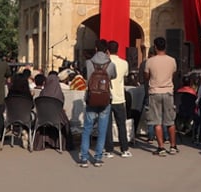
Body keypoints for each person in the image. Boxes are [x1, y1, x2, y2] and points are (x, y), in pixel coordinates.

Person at [79, 39, 117, 168]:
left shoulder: (88, 63)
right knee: (102, 130)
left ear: (95, 48)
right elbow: (113, 76)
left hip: (91, 98)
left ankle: (84, 158)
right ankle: (98, 158)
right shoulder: (110, 64)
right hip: (105, 99)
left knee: (87, 129)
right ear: (107, 50)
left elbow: (87, 78)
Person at [144, 36, 178, 157]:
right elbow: (173, 74)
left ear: (155, 47)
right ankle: (173, 146)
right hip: (168, 91)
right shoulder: (172, 60)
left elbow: (146, 76)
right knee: (170, 121)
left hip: (155, 91)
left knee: (157, 121)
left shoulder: (150, 61)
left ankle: (161, 147)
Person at [104, 40, 132, 158]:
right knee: (121, 124)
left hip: (107, 97)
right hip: (120, 98)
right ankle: (124, 149)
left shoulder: (105, 63)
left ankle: (109, 150)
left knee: (108, 125)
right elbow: (125, 75)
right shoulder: (124, 63)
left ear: (108, 50)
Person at [34, 73, 72, 151]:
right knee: (65, 121)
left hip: (42, 118)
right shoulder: (59, 94)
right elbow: (61, 106)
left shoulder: (43, 93)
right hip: (56, 118)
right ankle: (60, 143)